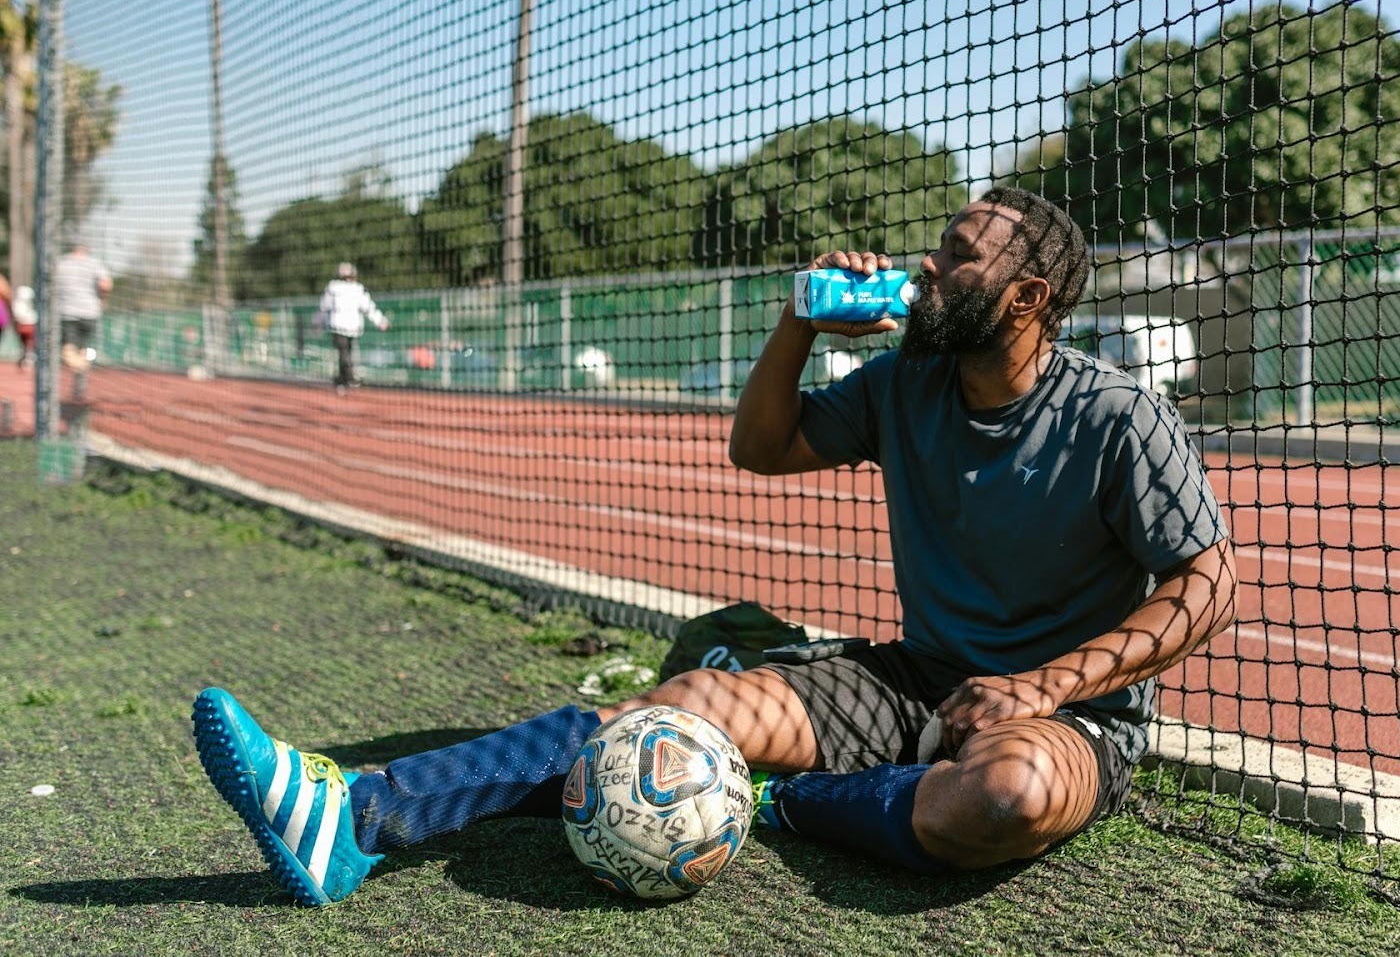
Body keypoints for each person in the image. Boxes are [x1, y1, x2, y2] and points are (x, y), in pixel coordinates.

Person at [191, 187, 1236, 906]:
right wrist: (799, 322)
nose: (927, 262)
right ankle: (358, 816)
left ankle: (789, 800)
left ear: (1026, 300)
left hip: (1068, 715)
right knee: (681, 702)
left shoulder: (1117, 416)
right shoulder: (906, 381)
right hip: (912, 680)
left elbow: (1208, 581)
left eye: (958, 255)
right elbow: (763, 446)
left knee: (1003, 797)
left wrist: (1042, 685)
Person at [317, 261, 388, 394]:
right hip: (345, 328)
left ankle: (343, 380)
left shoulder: (336, 288)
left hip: (340, 327)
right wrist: (381, 321)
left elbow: (323, 308)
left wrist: (318, 323)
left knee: (344, 353)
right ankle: (348, 378)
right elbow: (369, 308)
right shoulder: (353, 289)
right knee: (345, 353)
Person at [55, 243, 112, 373]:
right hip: (90, 312)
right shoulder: (94, 263)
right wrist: (103, 299)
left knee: (68, 350)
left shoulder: (62, 263)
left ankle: (79, 368)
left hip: (68, 312)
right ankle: (81, 379)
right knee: (83, 350)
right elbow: (106, 285)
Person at [12, 285, 36, 368]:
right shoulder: (24, 303)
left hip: (25, 325)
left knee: (26, 344)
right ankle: (27, 357)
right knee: (28, 343)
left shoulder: (19, 303)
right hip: (26, 325)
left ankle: (26, 357)